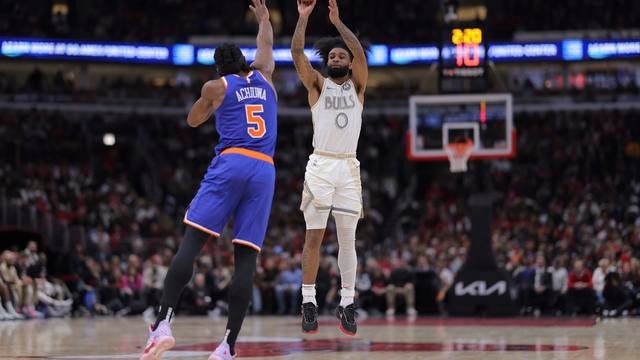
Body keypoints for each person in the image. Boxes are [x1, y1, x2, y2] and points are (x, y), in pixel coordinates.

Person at [140, 1, 276, 359]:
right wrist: (263, 19)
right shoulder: (266, 77)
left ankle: (163, 325)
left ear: (219, 67)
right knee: (246, 259)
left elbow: (192, 121)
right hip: (264, 169)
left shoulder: (217, 86)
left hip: (232, 162)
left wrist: (210, 98)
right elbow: (266, 46)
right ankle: (227, 347)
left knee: (192, 243)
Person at [291, 0, 368, 336]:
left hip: (348, 167)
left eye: (342, 56)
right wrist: (303, 18)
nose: (337, 58)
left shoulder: (358, 86)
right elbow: (296, 54)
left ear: (350, 64)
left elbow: (359, 52)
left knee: (348, 240)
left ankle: (347, 303)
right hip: (320, 164)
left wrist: (337, 22)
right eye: (332, 56)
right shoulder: (318, 84)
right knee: (314, 237)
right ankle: (309, 301)